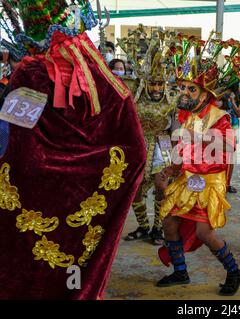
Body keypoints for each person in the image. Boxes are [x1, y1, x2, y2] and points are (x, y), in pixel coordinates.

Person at [0, 0, 146, 299]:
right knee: (75, 266)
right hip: (84, 194)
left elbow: (12, 139)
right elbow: (135, 148)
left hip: (32, 190)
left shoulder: (29, 73)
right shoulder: (104, 79)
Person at [156, 34, 240, 296]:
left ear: (205, 93)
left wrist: (200, 137)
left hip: (209, 181)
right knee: (169, 224)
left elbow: (229, 147)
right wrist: (170, 169)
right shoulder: (186, 115)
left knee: (204, 233)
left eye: (190, 89)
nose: (183, 93)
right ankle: (181, 272)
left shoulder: (220, 117)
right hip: (187, 177)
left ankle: (234, 272)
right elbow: (183, 149)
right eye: (182, 88)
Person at [116, 25, 177, 244]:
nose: (157, 88)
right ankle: (142, 226)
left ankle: (157, 228)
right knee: (135, 191)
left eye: (160, 83)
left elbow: (176, 130)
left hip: (162, 146)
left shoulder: (172, 102)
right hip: (139, 146)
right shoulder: (135, 99)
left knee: (162, 188)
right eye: (153, 83)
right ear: (146, 83)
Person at [217, 83, 240, 194]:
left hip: (231, 130)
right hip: (216, 136)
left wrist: (232, 101)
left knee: (230, 158)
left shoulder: (237, 95)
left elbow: (239, 114)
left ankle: (227, 183)